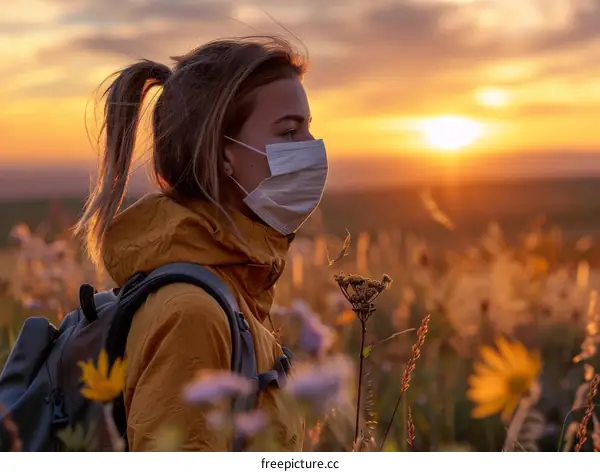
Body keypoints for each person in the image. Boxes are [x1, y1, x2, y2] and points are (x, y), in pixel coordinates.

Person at [74, 36, 328, 452]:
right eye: (288, 131)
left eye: (308, 127)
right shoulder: (193, 313)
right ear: (222, 153)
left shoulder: (235, 283)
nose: (311, 148)